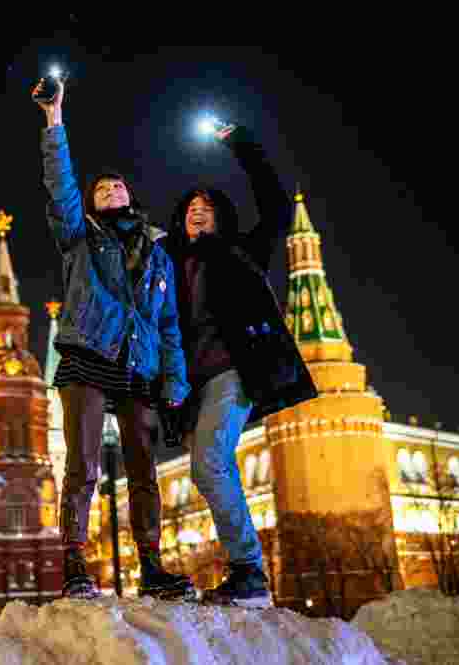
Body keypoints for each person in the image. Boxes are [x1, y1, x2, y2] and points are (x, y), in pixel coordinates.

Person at [34, 77, 194, 600]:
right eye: (100, 191)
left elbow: (168, 325)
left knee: (144, 472)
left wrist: (174, 379)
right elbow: (60, 188)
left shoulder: (157, 251)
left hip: (137, 367)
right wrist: (55, 122)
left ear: (130, 196)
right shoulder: (79, 237)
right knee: (81, 464)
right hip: (86, 357)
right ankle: (76, 565)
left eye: (116, 188)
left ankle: (152, 567)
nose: (110, 193)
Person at [164, 123, 318, 608]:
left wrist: (242, 143)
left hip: (233, 373)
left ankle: (250, 572)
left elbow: (274, 204)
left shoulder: (240, 252)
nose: (197, 211)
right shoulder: (166, 261)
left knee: (209, 464)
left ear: (222, 219)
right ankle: (245, 571)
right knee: (207, 470)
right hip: (189, 386)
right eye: (191, 207)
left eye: (206, 209)